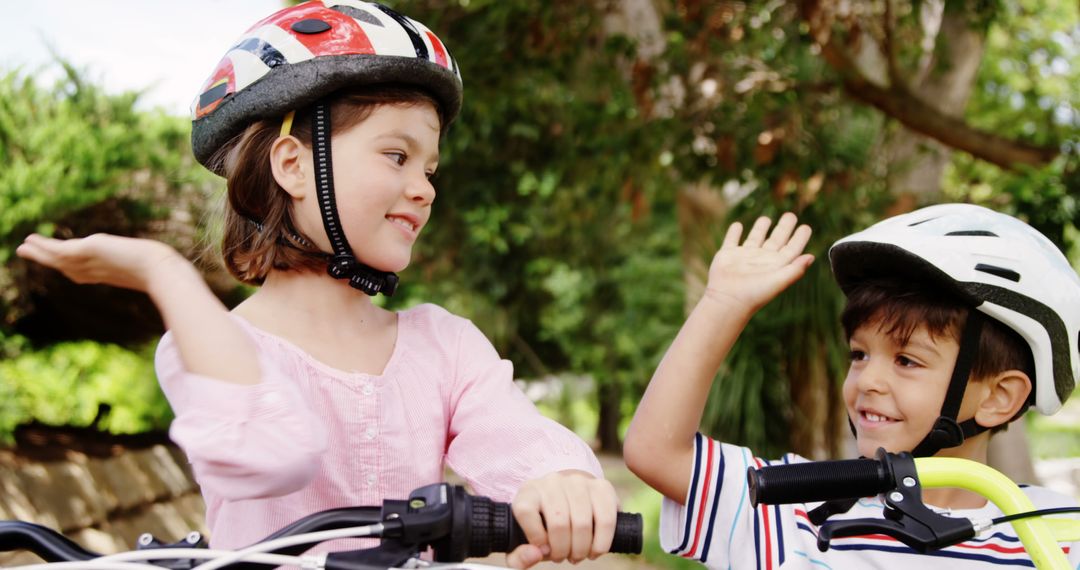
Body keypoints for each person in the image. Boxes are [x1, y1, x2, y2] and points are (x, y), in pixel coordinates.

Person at [15, 2, 618, 567]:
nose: (425, 187)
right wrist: (164, 272)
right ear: (293, 165)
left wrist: (559, 479)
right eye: (396, 155)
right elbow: (268, 453)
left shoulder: (445, 346)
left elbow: (515, 435)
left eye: (430, 168)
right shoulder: (211, 347)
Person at [624, 205, 1080, 568]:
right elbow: (657, 452)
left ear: (999, 397)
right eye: (859, 354)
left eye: (906, 360)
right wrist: (722, 304)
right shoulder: (801, 510)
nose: (867, 380)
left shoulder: (1056, 534)